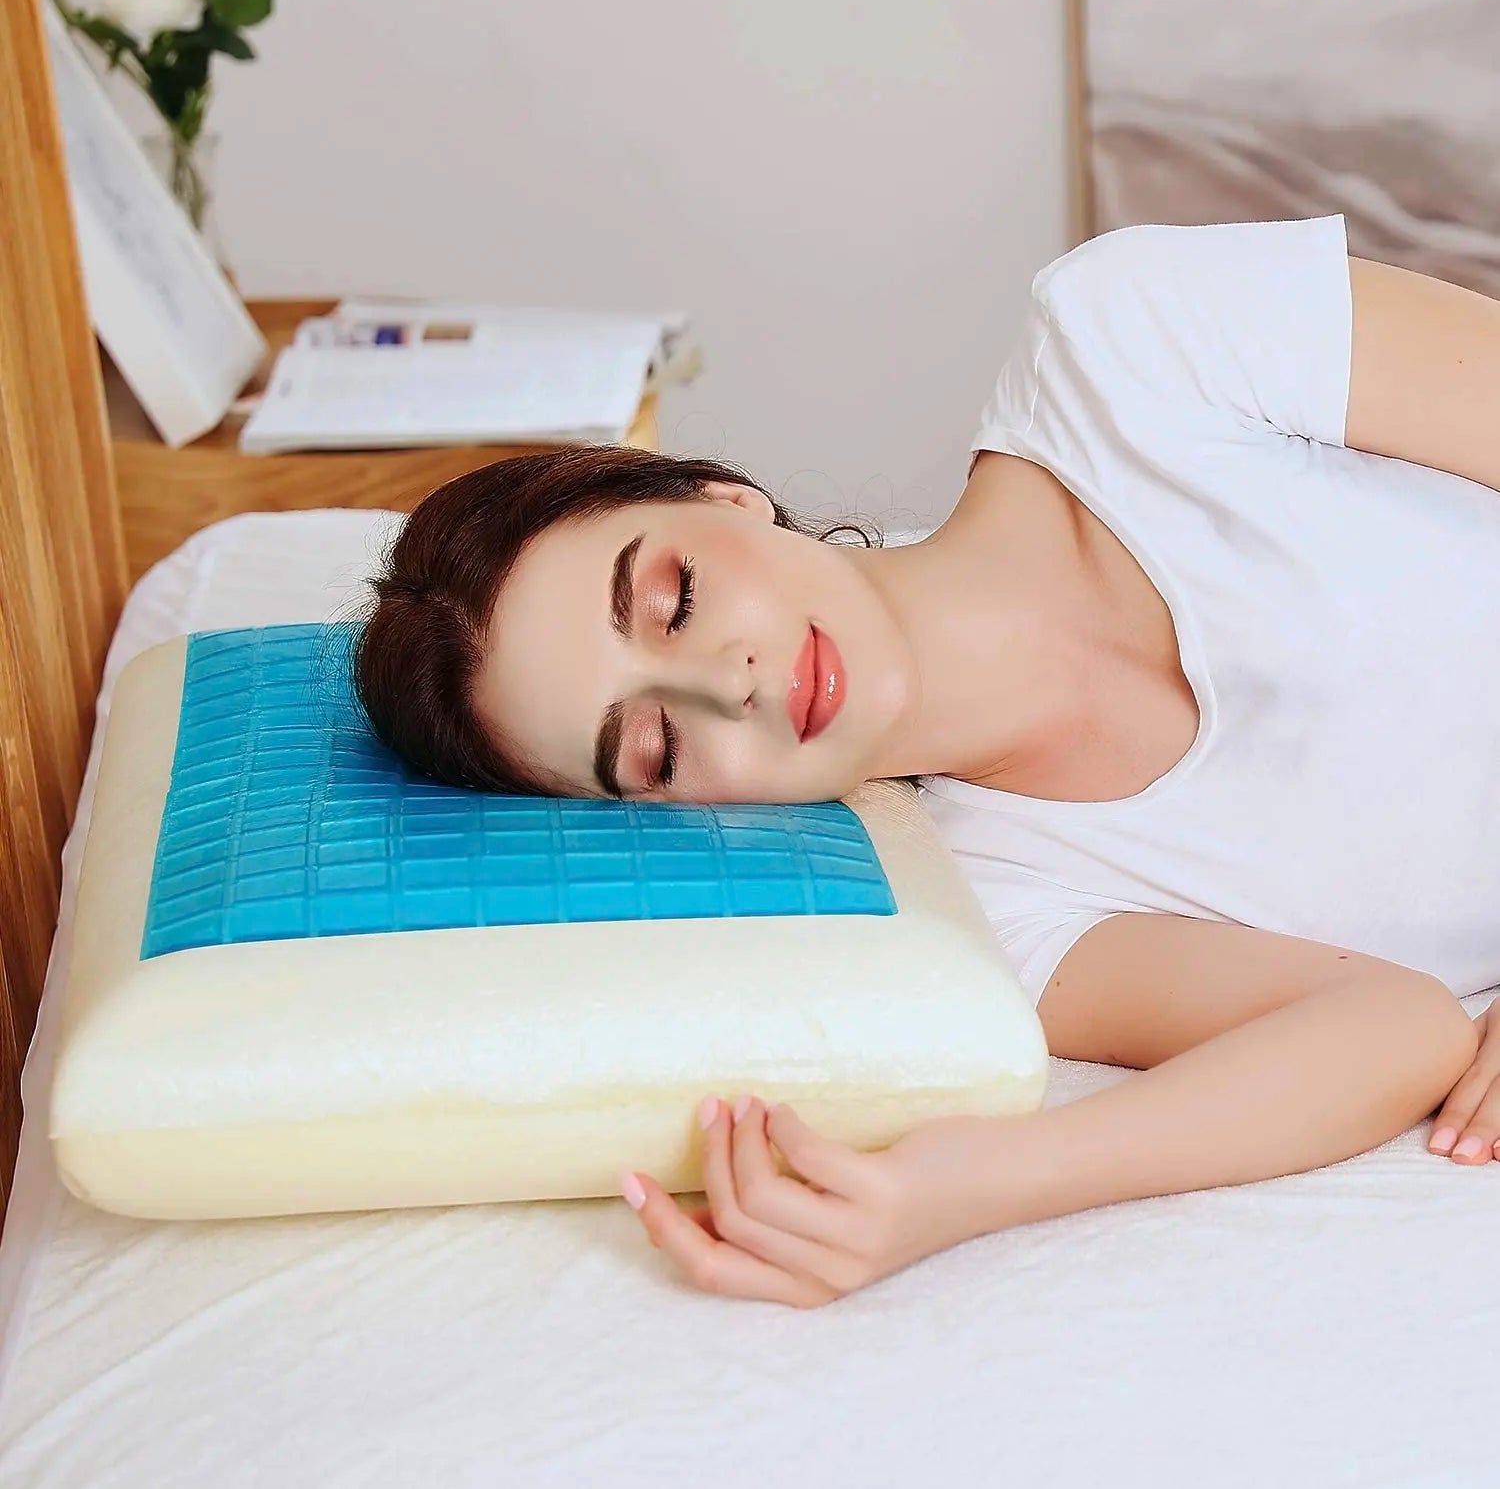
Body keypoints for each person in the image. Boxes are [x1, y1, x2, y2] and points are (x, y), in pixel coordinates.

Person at [354, 214, 1500, 1309]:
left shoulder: (1132, 341)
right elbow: (1396, 1027)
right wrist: (964, 1187)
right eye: (654, 745)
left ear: (722, 496)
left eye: (674, 599)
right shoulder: (985, 903)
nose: (728, 682)